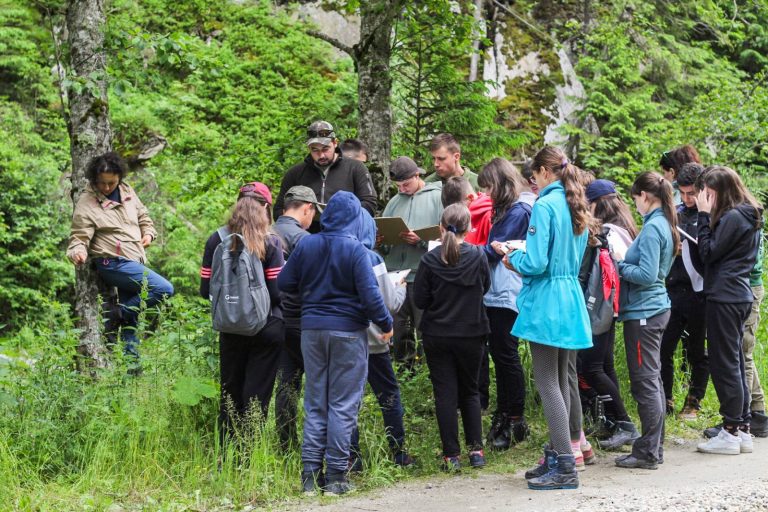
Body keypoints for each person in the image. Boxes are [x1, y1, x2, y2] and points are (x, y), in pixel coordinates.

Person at [278, 191, 393, 496]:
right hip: (348, 333)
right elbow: (371, 298)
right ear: (355, 218)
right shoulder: (356, 250)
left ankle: (309, 477)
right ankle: (337, 478)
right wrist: (387, 325)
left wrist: (312, 290)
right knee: (342, 406)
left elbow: (284, 283)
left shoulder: (307, 244)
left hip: (312, 331)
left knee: (316, 403)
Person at [505, 146, 592, 490]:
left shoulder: (544, 205)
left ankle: (566, 466)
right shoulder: (575, 204)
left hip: (547, 303)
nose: (533, 181)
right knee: (561, 378)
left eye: (534, 175)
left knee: (547, 381)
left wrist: (514, 259)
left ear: (543, 172)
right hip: (570, 298)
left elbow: (537, 262)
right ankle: (559, 453)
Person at [67, 152, 174, 364]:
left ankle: (131, 369)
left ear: (120, 178)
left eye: (111, 183)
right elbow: (78, 237)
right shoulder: (87, 202)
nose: (107, 188)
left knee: (131, 321)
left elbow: (144, 216)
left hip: (134, 259)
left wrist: (148, 233)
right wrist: (77, 252)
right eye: (102, 183)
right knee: (164, 289)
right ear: (94, 180)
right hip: (112, 262)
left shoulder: (127, 191)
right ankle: (118, 312)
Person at [199, 182, 285, 443]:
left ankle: (228, 452)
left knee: (230, 391)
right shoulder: (271, 242)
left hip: (230, 326)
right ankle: (251, 454)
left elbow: (206, 291)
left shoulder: (216, 239)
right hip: (267, 327)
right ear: (267, 208)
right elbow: (277, 293)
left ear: (237, 204)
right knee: (257, 394)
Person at [413, 204, 491, 471]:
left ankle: (451, 455)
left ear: (440, 228)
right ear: (469, 229)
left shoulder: (430, 260)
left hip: (438, 333)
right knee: (470, 390)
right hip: (472, 331)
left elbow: (420, 299)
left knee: (444, 393)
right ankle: (476, 451)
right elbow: (485, 287)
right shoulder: (478, 256)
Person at [695, 166, 762, 456]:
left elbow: (708, 252)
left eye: (708, 194)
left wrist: (701, 216)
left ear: (720, 191)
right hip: (736, 293)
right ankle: (743, 428)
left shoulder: (734, 217)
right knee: (734, 360)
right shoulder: (747, 215)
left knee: (725, 364)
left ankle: (731, 430)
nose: (706, 199)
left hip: (725, 295)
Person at [614, 172, 677, 469]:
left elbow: (647, 275)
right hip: (652, 310)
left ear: (646, 196)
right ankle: (654, 447)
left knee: (645, 383)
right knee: (652, 380)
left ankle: (648, 452)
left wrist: (619, 264)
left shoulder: (653, 228)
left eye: (635, 198)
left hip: (644, 314)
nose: (634, 203)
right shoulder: (663, 222)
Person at [348, 209, 414, 471]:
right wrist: (400, 289)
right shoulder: (371, 257)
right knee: (388, 395)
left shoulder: (338, 251)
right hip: (375, 339)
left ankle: (352, 457)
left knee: (349, 400)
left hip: (347, 338)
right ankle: (398, 453)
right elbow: (387, 303)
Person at [580, 179, 641, 451]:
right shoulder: (625, 227)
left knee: (591, 368)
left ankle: (625, 423)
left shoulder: (606, 232)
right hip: (612, 306)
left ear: (596, 204)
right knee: (603, 366)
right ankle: (613, 422)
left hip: (601, 307)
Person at [477, 158, 532, 450]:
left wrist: (463, 249)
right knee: (500, 355)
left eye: (488, 187)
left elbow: (496, 249)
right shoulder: (505, 209)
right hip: (497, 291)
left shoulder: (517, 212)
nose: (485, 193)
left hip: (506, 292)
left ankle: (513, 417)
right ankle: (506, 413)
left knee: (506, 355)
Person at [379, 156, 444, 368]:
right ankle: (405, 370)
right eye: (398, 186)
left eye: (406, 184)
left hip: (423, 273)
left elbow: (447, 239)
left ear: (417, 175)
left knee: (424, 325)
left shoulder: (438, 197)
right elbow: (385, 241)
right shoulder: (394, 202)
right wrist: (381, 241)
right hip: (396, 275)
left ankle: (427, 369)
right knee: (399, 326)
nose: (403, 189)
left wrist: (421, 241)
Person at [272, 186, 323, 451]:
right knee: (318, 382)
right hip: (301, 319)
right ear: (307, 208)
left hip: (274, 319)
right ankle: (317, 447)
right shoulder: (303, 239)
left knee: (286, 384)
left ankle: (286, 444)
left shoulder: (264, 232)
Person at [658, 163, 709, 419]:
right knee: (664, 347)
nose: (687, 199)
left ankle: (694, 401)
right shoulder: (674, 214)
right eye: (683, 194)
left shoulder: (709, 215)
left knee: (698, 350)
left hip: (699, 293)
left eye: (692, 194)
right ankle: (665, 399)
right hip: (673, 289)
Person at [440, 176, 494, 409]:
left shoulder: (486, 211)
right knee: (476, 354)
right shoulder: (478, 209)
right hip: (473, 301)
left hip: (470, 299)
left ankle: (476, 399)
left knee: (477, 355)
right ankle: (476, 400)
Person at [273, 121, 377, 231]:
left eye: (325, 149)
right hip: (305, 239)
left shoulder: (356, 168)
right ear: (309, 148)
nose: (321, 155)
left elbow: (369, 205)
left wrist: (342, 214)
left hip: (345, 237)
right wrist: (300, 218)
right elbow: (279, 210)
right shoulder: (295, 173)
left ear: (335, 143)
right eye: (315, 150)